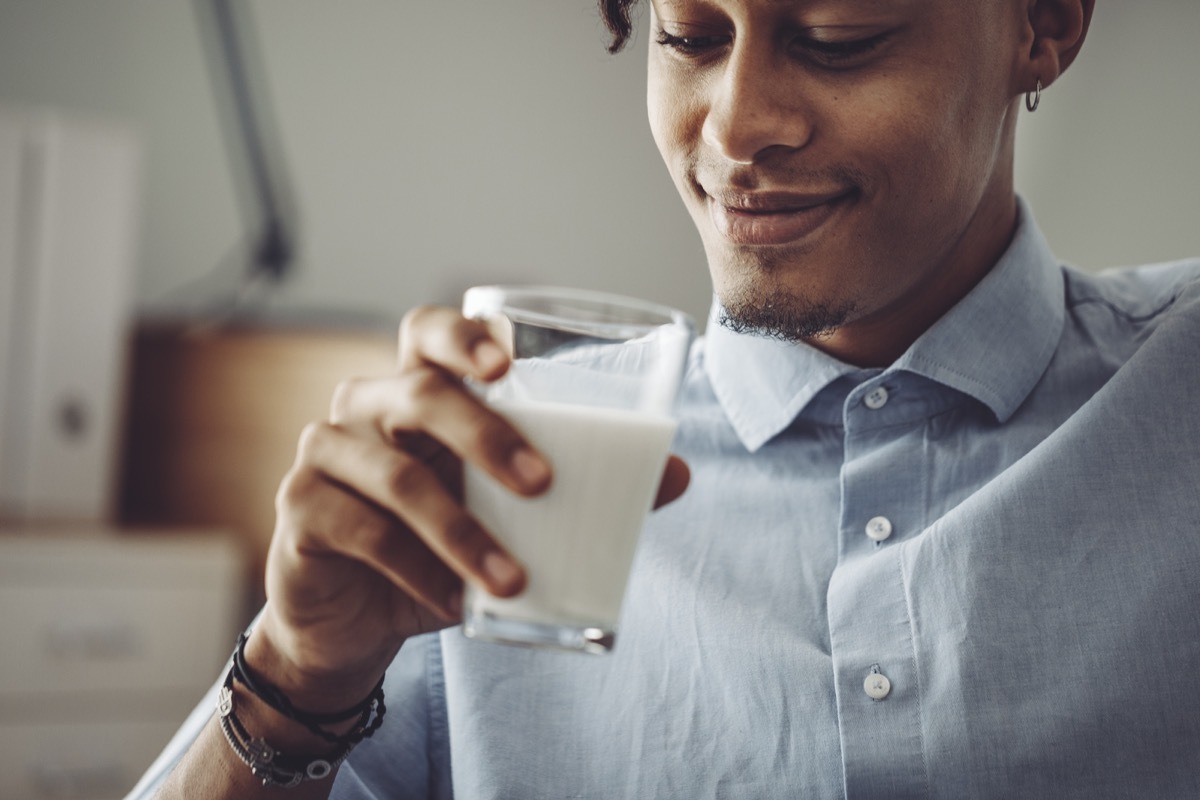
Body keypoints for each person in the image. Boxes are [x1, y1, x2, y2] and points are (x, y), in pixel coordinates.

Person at [130, 0, 1200, 797]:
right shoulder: (481, 478)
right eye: (690, 35)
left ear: (1047, 23)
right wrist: (298, 673)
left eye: (838, 37)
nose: (735, 130)